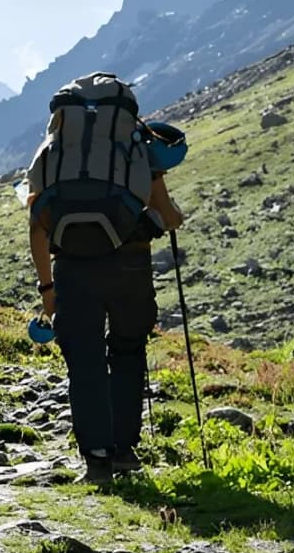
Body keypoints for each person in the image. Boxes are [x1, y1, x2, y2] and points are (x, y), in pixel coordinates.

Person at [26, 73, 184, 486]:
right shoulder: (135, 151)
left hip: (73, 270)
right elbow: (167, 217)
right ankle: (126, 451)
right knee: (128, 350)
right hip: (129, 266)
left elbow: (37, 224)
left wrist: (47, 289)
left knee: (85, 360)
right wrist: (169, 215)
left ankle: (97, 461)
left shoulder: (52, 153)